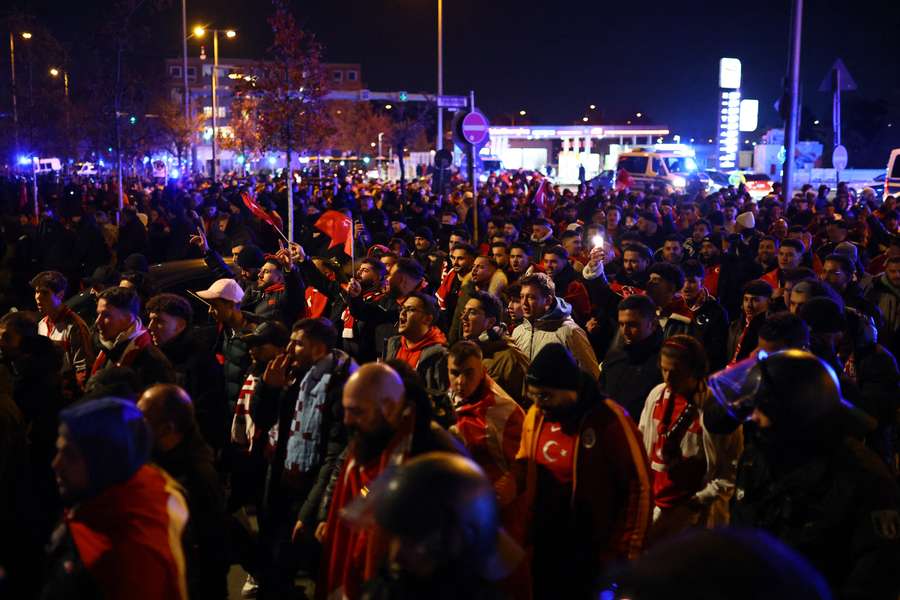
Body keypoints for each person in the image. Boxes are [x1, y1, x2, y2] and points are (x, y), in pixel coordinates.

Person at [705, 350, 900, 599]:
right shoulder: (759, 457)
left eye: (762, 410)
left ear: (793, 415)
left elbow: (873, 580)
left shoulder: (864, 479)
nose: (752, 418)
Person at [516, 344, 652, 598]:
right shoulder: (537, 415)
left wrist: (628, 551)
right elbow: (525, 462)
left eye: (545, 396)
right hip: (546, 545)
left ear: (570, 390)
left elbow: (639, 485)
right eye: (533, 396)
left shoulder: (608, 419)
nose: (537, 403)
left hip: (592, 551)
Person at [319, 363, 463, 600]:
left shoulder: (434, 456)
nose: (347, 420)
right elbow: (366, 488)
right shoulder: (367, 441)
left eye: (357, 411)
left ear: (389, 408)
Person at [251, 317, 357, 598]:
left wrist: (311, 512)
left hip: (310, 488)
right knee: (274, 563)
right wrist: (269, 388)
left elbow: (335, 453)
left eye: (298, 343)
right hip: (282, 478)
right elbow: (263, 419)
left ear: (319, 349)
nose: (289, 349)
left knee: (305, 568)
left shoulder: (341, 384)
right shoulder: (294, 373)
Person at [43, 397, 189, 600]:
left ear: (102, 460)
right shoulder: (101, 509)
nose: (56, 464)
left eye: (70, 454)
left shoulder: (130, 560)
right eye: (58, 451)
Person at [351, 453, 522, 599]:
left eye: (412, 542)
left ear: (458, 543)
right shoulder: (385, 589)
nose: (396, 555)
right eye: (395, 539)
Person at [637, 335, 742, 543]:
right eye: (663, 369)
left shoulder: (717, 409)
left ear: (695, 371)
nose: (667, 378)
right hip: (656, 507)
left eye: (675, 373)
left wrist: (695, 503)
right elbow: (642, 444)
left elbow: (729, 471)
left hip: (694, 516)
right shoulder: (656, 395)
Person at [138, 385, 229, 600]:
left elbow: (212, 555)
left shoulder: (196, 480)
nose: (134, 425)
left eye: (143, 418)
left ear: (167, 429)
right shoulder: (158, 461)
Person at [446, 341, 525, 536]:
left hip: (497, 520)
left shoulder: (505, 411)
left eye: (468, 373)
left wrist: (513, 481)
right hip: (461, 513)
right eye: (455, 373)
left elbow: (524, 463)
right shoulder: (447, 402)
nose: (461, 381)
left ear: (482, 370)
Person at [146, 293, 226, 451]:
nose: (150, 327)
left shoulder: (200, 361)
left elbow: (208, 414)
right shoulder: (155, 356)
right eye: (150, 319)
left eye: (159, 321)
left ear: (180, 325)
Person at [511, 272, 599, 379]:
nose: (524, 303)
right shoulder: (518, 331)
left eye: (531, 297)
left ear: (547, 300)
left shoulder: (570, 331)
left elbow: (591, 376)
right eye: (522, 296)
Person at [90, 286, 174, 390]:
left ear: (128, 319)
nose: (98, 321)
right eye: (98, 314)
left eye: (106, 315)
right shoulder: (100, 344)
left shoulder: (151, 361)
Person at [460, 290, 530, 407]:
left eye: (472, 312)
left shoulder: (510, 358)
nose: (464, 317)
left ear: (490, 322)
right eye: (464, 312)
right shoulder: (467, 353)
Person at [599, 294, 664, 418]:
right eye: (621, 324)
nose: (625, 331)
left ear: (652, 324)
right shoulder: (614, 357)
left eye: (632, 325)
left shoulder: (663, 363)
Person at [31, 270, 94, 392]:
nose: (38, 297)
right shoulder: (42, 324)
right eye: (36, 291)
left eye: (44, 292)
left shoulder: (75, 326)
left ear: (60, 294)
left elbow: (83, 369)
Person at [196, 278, 255, 408]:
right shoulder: (224, 329)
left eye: (215, 305)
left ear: (231, 305)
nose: (209, 311)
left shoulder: (255, 334)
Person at [383, 293, 449, 399]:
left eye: (410, 310)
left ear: (427, 319)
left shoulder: (439, 355)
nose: (402, 314)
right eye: (402, 309)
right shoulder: (393, 344)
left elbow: (442, 397)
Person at [681, 260, 730, 370]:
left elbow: (718, 351)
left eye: (691, 281)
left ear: (702, 282)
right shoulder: (672, 307)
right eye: (683, 281)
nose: (686, 286)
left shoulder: (716, 311)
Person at [726, 280, 773, 365]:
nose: (748, 305)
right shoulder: (735, 325)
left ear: (768, 301)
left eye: (755, 300)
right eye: (746, 299)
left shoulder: (770, 329)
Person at [542, 245, 591, 324]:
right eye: (546, 261)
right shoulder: (543, 280)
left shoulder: (575, 285)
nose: (548, 265)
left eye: (553, 262)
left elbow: (582, 314)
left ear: (565, 262)